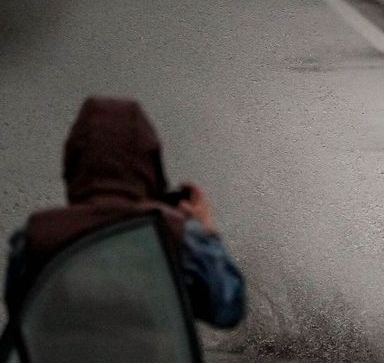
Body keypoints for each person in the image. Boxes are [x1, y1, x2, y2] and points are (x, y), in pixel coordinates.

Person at [4, 97, 244, 329]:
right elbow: (227, 308)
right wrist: (207, 232)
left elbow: (19, 317)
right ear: (151, 164)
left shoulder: (33, 238)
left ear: (73, 162)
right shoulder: (177, 235)